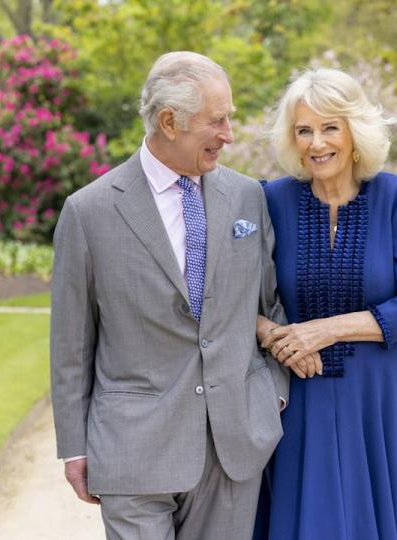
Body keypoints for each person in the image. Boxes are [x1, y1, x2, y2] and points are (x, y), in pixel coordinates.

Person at [50, 51, 304, 539]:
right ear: (169, 121)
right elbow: (71, 344)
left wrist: (269, 395)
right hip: (132, 449)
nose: (229, 134)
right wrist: (75, 446)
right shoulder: (89, 212)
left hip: (233, 443)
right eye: (218, 120)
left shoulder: (249, 197)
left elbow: (269, 304)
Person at [253, 68, 397, 539]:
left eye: (329, 128)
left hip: (383, 395)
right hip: (301, 391)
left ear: (354, 133)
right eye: (304, 130)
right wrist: (275, 337)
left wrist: (326, 329)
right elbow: (236, 295)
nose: (316, 143)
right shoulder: (268, 201)